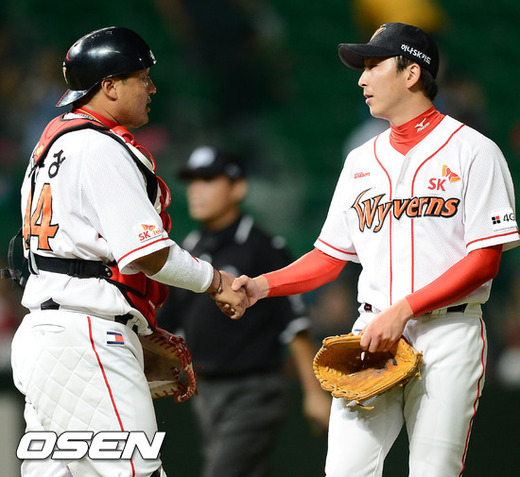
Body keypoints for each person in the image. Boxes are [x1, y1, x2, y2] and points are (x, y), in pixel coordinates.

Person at [230, 22, 520, 476]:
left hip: (447, 331)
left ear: (411, 73)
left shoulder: (474, 151)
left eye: (373, 66)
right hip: (372, 334)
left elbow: (484, 261)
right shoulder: (360, 160)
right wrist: (263, 286)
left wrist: (404, 310)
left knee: (433, 470)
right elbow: (330, 256)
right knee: (345, 470)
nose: (362, 79)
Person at [8, 26, 246, 477]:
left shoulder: (49, 148)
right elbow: (147, 254)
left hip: (48, 334)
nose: (151, 88)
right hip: (85, 337)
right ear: (110, 86)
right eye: (142, 78)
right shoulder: (98, 146)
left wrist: (134, 327)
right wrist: (216, 282)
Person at [156, 145, 331, 477]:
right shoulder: (189, 249)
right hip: (206, 392)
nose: (196, 190)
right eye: (193, 181)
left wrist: (314, 393)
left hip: (255, 391)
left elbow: (295, 326)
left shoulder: (263, 247)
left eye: (208, 180)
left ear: (237, 188)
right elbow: (169, 324)